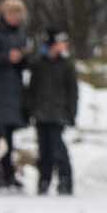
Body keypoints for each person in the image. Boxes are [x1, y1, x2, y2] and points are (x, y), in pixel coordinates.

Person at [24, 27, 78, 196]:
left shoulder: (67, 66)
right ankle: (44, 181)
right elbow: (31, 89)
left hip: (59, 115)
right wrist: (29, 110)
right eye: (60, 43)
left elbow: (73, 92)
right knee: (44, 150)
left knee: (58, 149)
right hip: (41, 115)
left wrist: (71, 114)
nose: (63, 46)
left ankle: (65, 181)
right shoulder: (39, 64)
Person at [0, 0, 31, 191]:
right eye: (12, 13)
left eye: (18, 14)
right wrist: (6, 57)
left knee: (10, 135)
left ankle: (8, 172)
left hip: (14, 90)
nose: (16, 17)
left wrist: (23, 58)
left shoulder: (21, 35)